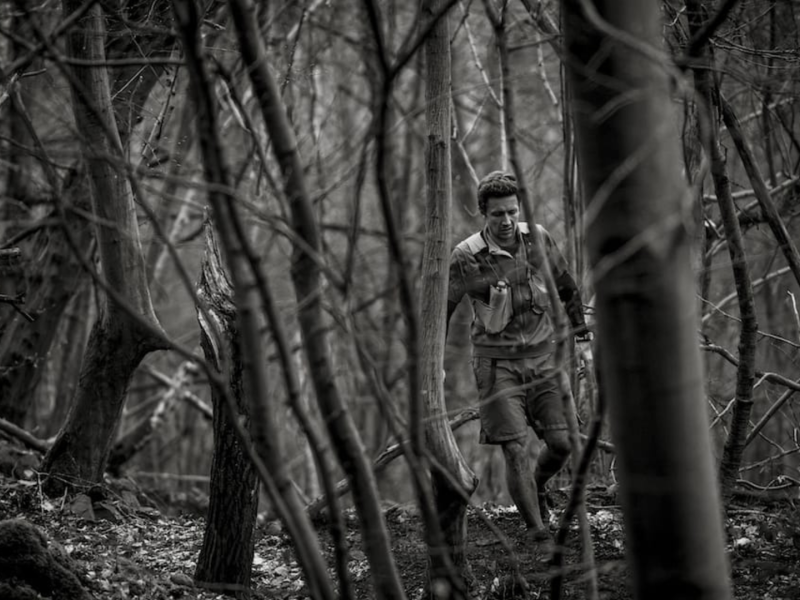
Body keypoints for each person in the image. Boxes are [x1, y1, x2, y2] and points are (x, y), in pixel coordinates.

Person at [445, 171, 591, 544]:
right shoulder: (467, 256)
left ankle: (539, 487)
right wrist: (433, 365)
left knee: (563, 443)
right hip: (496, 365)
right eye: (498, 214)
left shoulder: (537, 239)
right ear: (484, 214)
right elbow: (442, 309)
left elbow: (566, 285)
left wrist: (581, 334)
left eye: (512, 211)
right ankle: (536, 532)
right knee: (514, 448)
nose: (507, 220)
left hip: (543, 360)